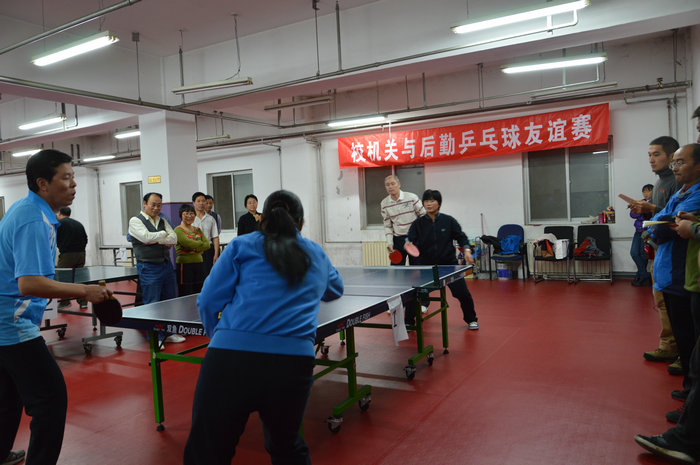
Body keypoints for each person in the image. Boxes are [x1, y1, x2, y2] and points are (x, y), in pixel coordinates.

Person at [183, 190, 343, 465]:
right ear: (301, 222)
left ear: (262, 218)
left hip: (229, 358)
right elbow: (335, 290)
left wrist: (217, 335)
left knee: (207, 451)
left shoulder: (241, 245)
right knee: (287, 449)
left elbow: (208, 300)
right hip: (293, 363)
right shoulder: (315, 252)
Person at [0, 149, 110, 465]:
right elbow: (30, 283)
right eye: (66, 178)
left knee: (8, 397)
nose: (74, 184)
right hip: (12, 323)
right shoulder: (33, 220)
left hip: (6, 320)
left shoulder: (26, 209)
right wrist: (85, 291)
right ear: (42, 183)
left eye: (73, 177)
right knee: (50, 400)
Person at [647, 144, 700, 425]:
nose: (675, 167)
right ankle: (690, 389)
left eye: (680, 162)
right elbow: (661, 219)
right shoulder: (680, 192)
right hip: (668, 270)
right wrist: (657, 225)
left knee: (690, 338)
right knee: (682, 334)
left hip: (683, 274)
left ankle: (693, 398)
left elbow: (668, 226)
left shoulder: (697, 194)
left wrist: (657, 226)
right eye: (675, 163)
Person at [629, 137, 683, 369]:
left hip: (675, 251)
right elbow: (659, 216)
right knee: (661, 301)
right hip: (658, 249)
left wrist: (652, 208)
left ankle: (684, 353)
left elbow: (677, 217)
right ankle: (668, 346)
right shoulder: (659, 182)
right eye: (649, 155)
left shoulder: (677, 183)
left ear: (672, 157)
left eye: (656, 154)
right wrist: (646, 211)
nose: (651, 159)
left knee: (677, 304)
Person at [406, 189, 479, 329]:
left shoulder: (449, 221)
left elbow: (461, 237)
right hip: (426, 268)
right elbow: (410, 238)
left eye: (432, 201)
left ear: (438, 203)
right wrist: (407, 243)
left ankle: (471, 319)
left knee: (463, 294)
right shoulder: (418, 224)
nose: (429, 204)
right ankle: (408, 321)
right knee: (412, 294)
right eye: (426, 201)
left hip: (449, 266)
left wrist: (467, 249)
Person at [128, 192, 183, 343]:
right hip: (149, 267)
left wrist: (156, 238)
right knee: (152, 304)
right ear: (144, 203)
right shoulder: (135, 221)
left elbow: (174, 238)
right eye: (153, 204)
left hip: (166, 265)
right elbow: (146, 238)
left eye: (159, 205)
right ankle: (155, 338)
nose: (156, 208)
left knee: (169, 301)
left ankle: (168, 333)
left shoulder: (162, 220)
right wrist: (163, 235)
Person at [381, 175, 425, 266]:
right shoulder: (384, 204)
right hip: (398, 240)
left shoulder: (412, 197)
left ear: (399, 184)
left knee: (416, 270)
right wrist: (389, 243)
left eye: (393, 183)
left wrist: (416, 234)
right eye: (387, 185)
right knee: (396, 270)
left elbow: (423, 216)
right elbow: (388, 226)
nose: (390, 187)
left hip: (414, 239)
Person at [55, 206, 89, 308]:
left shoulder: (59, 224)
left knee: (63, 278)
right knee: (80, 278)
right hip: (81, 254)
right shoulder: (78, 224)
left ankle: (65, 302)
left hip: (67, 255)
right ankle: (83, 302)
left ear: (59, 213)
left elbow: (53, 238)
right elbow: (85, 238)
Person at [174, 204, 210, 297]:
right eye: (186, 214)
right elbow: (188, 244)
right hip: (184, 265)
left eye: (191, 214)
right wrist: (199, 243)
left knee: (199, 291)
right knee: (186, 292)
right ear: (181, 215)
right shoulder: (178, 230)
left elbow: (207, 245)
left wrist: (194, 247)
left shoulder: (198, 230)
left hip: (199, 263)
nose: (189, 216)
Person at [629, 184, 654, 287]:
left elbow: (651, 216)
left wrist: (642, 212)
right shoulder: (641, 202)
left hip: (647, 232)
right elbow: (632, 214)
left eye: (648, 191)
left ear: (653, 191)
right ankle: (644, 276)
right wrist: (641, 211)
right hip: (638, 231)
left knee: (644, 255)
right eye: (644, 191)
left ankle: (640, 276)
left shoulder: (654, 204)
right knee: (634, 253)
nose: (646, 193)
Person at [192, 192, 219, 278]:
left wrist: (216, 254)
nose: (201, 203)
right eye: (198, 201)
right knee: (195, 276)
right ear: (194, 203)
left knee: (208, 276)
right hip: (193, 252)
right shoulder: (189, 219)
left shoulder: (211, 219)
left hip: (208, 251)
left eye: (203, 201)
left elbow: (215, 237)